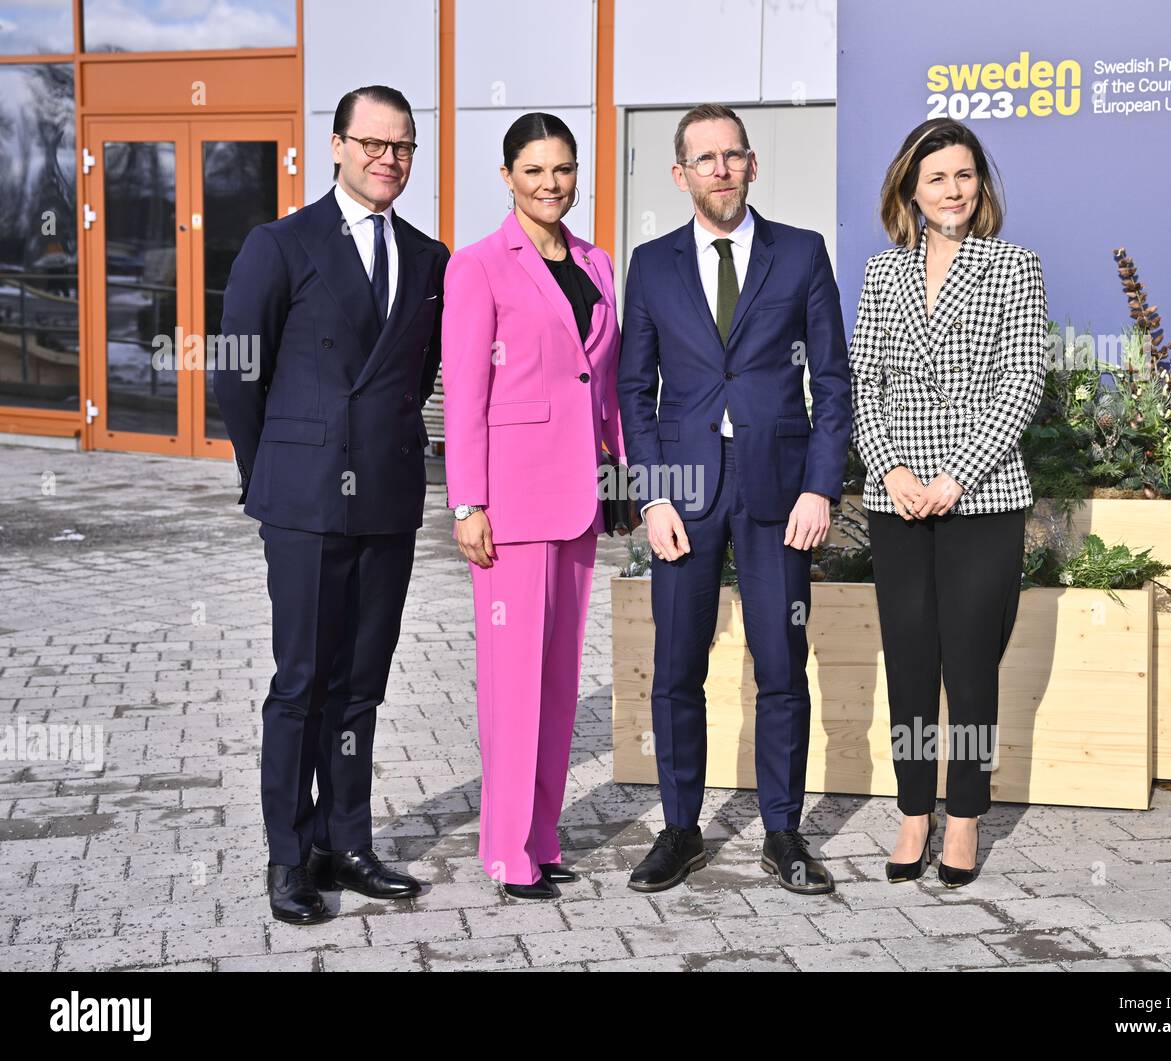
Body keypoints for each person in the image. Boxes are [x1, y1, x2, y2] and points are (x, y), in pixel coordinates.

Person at [214, 85, 449, 924]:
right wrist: (272, 471)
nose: (390, 159)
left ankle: (345, 840)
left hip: (386, 497)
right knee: (303, 681)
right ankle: (288, 856)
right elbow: (237, 372)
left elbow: (413, 379)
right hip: (305, 502)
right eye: (374, 144)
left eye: (404, 147)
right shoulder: (279, 244)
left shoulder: (430, 258)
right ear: (339, 146)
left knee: (362, 684)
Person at [617, 103, 852, 895]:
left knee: (782, 664)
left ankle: (782, 832)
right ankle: (680, 829)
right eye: (704, 158)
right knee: (677, 666)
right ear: (679, 174)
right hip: (681, 495)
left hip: (779, 492)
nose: (720, 169)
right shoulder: (650, 264)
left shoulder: (802, 254)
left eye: (733, 155)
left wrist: (822, 483)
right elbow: (632, 387)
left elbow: (831, 379)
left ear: (753, 165)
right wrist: (651, 496)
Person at [848, 117, 1048, 888]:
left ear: (981, 185)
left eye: (965, 176)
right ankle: (912, 813)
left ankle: (962, 817)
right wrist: (891, 468)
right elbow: (866, 383)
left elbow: (1022, 382)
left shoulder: (1013, 267)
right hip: (898, 499)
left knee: (969, 670)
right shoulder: (880, 274)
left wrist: (954, 476)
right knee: (908, 664)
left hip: (981, 495)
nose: (953, 190)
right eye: (937, 178)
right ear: (910, 189)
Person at [442, 112, 625, 901]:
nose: (552, 184)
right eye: (535, 170)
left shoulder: (596, 260)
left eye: (564, 168)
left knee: (555, 682)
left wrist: (618, 473)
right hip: (510, 505)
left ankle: (543, 837)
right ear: (509, 176)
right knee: (511, 684)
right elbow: (465, 395)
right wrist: (466, 502)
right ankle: (503, 850)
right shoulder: (479, 265)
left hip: (580, 498)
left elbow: (602, 382)